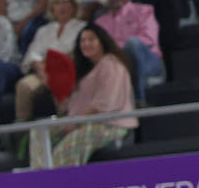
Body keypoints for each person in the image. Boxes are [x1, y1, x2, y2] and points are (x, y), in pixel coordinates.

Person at [30, 23, 136, 170]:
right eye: (82, 40)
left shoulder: (112, 64)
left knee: (71, 144)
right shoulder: (83, 71)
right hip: (80, 122)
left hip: (109, 125)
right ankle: (39, 176)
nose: (86, 43)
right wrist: (55, 89)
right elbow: (65, 107)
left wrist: (77, 122)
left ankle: (61, 185)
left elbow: (104, 103)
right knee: (40, 131)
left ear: (102, 42)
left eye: (91, 39)